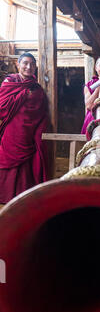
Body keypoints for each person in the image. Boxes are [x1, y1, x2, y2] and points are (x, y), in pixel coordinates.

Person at [0, 53, 49, 204]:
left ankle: (23, 196)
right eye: (25, 63)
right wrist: (24, 94)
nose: (29, 67)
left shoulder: (37, 89)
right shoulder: (10, 82)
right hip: (12, 131)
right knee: (5, 159)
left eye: (32, 64)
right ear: (18, 64)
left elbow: (41, 111)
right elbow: (2, 105)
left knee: (27, 165)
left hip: (30, 132)